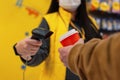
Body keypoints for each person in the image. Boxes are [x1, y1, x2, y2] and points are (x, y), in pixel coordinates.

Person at [13, 0, 102, 80]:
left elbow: (98, 54)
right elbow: (40, 54)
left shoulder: (92, 23)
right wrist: (27, 53)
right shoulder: (49, 20)